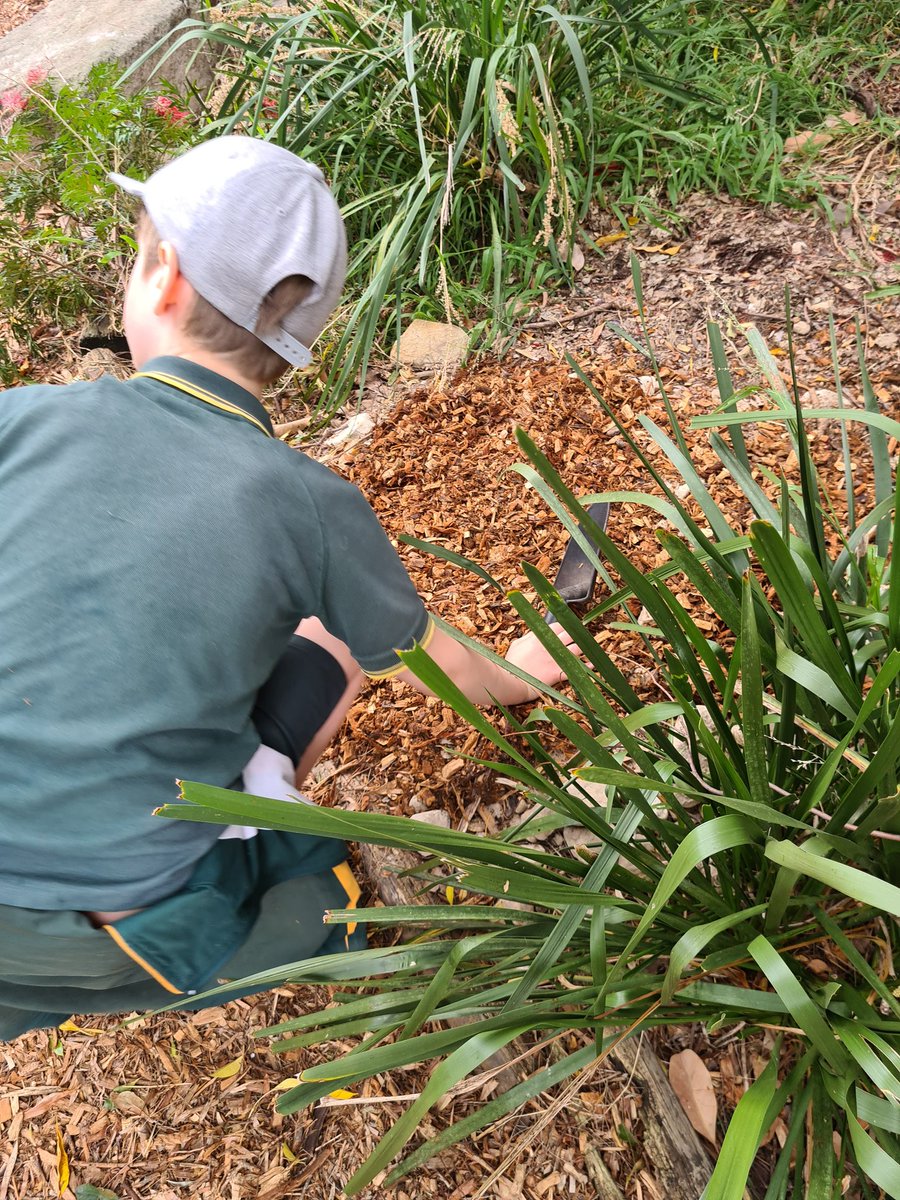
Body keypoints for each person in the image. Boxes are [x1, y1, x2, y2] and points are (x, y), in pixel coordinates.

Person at [0, 136, 573, 1040]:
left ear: (164, 277)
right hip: (129, 923)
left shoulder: (19, 421)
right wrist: (526, 673)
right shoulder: (309, 505)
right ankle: (257, 884)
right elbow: (434, 664)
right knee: (328, 699)